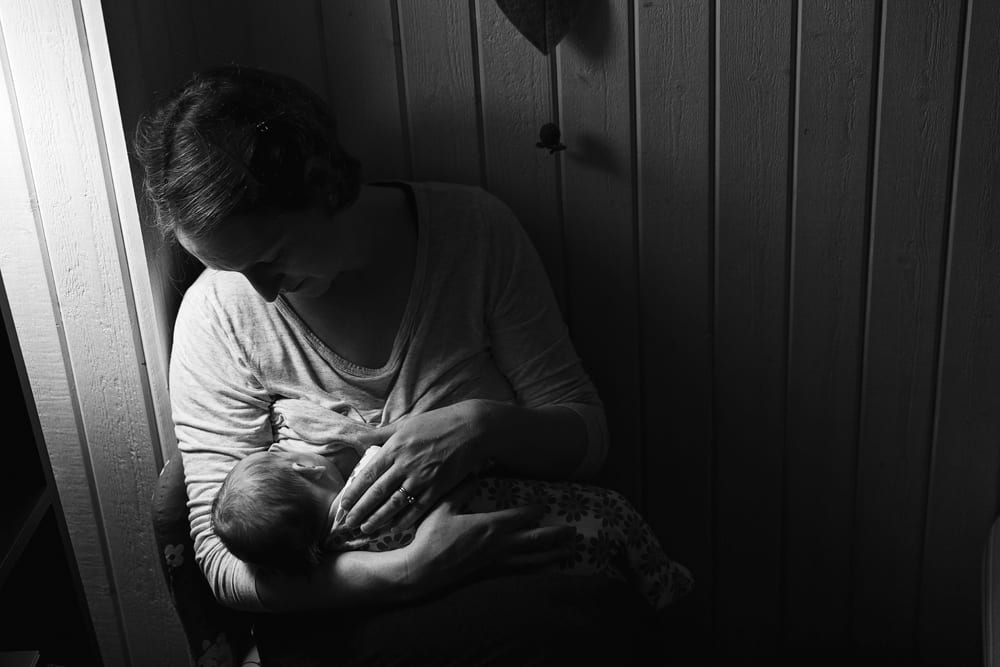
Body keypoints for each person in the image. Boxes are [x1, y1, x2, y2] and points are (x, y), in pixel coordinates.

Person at [135, 64, 672, 664]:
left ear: (322, 186)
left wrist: (479, 427)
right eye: (233, 270)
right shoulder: (217, 316)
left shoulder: (472, 234)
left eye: (272, 256)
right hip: (340, 615)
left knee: (580, 621)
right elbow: (219, 564)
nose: (261, 292)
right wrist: (410, 570)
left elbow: (588, 440)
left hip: (517, 593)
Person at [212, 445, 693, 610]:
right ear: (303, 466)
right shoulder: (368, 480)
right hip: (549, 511)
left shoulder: (339, 553)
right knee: (615, 510)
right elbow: (418, 456)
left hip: (533, 567)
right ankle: (666, 584)